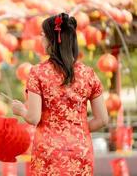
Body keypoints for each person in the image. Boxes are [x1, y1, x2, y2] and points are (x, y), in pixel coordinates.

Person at [11, 13, 109, 175]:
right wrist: (77, 130)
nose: (41, 39)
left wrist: (20, 110)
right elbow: (103, 119)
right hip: (80, 151)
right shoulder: (88, 74)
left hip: (49, 153)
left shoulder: (38, 73)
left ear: (52, 39)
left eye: (43, 35)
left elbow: (34, 117)